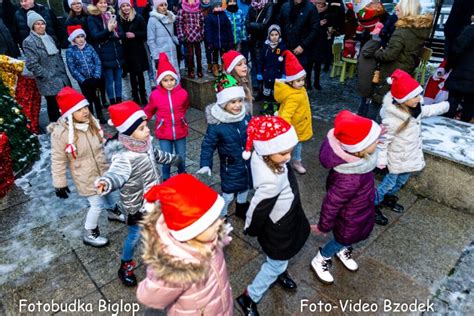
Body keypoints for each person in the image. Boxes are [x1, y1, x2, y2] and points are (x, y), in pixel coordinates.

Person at [95, 100, 181, 286]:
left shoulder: (145, 143)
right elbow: (115, 175)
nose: (148, 130)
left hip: (154, 198)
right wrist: (105, 182)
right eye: (142, 128)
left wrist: (173, 159)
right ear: (128, 132)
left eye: (146, 126)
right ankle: (125, 263)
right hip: (137, 206)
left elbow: (156, 155)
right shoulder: (124, 156)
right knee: (134, 237)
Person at [236, 115, 310, 315]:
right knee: (276, 260)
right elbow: (258, 206)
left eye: (289, 151)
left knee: (280, 256)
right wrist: (250, 228)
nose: (288, 157)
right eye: (283, 152)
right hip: (280, 225)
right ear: (268, 151)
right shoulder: (271, 181)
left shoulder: (268, 157)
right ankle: (249, 297)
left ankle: (280, 269)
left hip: (286, 214)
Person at [136, 174, 233, 314]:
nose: (219, 223)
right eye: (210, 222)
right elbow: (148, 297)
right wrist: (165, 273)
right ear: (191, 231)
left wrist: (220, 240)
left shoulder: (209, 239)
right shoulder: (178, 267)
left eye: (216, 218)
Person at [311, 110, 381, 284]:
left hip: (361, 209)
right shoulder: (349, 178)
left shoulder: (361, 162)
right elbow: (331, 203)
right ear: (359, 149)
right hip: (349, 216)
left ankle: (343, 249)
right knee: (342, 237)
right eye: (374, 141)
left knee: (354, 235)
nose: (378, 142)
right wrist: (323, 226)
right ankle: (321, 258)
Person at [49, 87, 124, 248]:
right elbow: (58, 160)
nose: (84, 111)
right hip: (85, 176)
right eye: (79, 109)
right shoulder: (61, 133)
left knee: (107, 191)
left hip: (102, 168)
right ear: (69, 113)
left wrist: (112, 144)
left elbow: (101, 140)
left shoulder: (91, 123)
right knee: (96, 204)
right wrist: (59, 183)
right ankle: (90, 233)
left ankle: (112, 211)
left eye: (85, 107)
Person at [375, 69, 450, 224]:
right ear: (403, 99)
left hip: (410, 157)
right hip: (396, 158)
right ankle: (372, 205)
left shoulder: (416, 109)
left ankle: (387, 199)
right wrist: (381, 160)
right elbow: (383, 141)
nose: (420, 98)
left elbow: (430, 110)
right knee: (388, 183)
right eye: (415, 96)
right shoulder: (392, 119)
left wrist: (446, 105)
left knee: (401, 181)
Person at [197, 73, 252, 218]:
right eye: (232, 102)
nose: (238, 105)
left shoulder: (245, 116)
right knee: (228, 195)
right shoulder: (217, 125)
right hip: (231, 167)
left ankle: (241, 208)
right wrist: (205, 164)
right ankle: (222, 214)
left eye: (240, 100)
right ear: (223, 103)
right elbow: (208, 146)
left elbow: (254, 133)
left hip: (247, 164)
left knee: (245, 189)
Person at [371, 0, 433, 117]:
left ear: (406, 11)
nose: (395, 11)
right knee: (396, 100)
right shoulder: (419, 29)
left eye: (398, 9)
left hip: (393, 71)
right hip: (406, 68)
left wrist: (378, 53)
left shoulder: (401, 32)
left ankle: (374, 128)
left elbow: (389, 55)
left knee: (381, 100)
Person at [145, 52, 189, 181]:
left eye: (171, 79)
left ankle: (182, 177)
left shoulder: (183, 93)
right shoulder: (155, 95)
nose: (169, 83)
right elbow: (149, 110)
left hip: (180, 130)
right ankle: (166, 179)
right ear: (160, 81)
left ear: (176, 79)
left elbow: (185, 106)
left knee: (181, 156)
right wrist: (141, 121)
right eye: (165, 80)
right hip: (164, 132)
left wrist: (181, 118)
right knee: (166, 158)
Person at [23, 11, 71, 122]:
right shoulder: (29, 42)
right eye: (37, 24)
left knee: (66, 106)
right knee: (54, 108)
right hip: (48, 81)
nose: (41, 26)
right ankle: (56, 131)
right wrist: (46, 75)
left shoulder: (48, 37)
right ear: (32, 26)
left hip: (61, 78)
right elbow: (31, 64)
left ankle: (68, 129)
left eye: (42, 23)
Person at [274, 51, 313, 175]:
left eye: (302, 80)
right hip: (294, 127)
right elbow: (286, 114)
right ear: (290, 82)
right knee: (293, 145)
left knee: (298, 145)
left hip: (299, 124)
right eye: (298, 81)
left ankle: (292, 160)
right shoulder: (293, 96)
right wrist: (285, 129)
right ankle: (291, 161)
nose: (301, 83)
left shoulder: (299, 89)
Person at [65, 25, 105, 124]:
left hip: (94, 78)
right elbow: (72, 67)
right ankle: (90, 116)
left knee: (97, 98)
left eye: (82, 36)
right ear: (73, 39)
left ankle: (100, 115)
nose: (81, 39)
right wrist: (83, 79)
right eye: (78, 37)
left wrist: (96, 75)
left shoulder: (89, 47)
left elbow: (97, 61)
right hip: (84, 81)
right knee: (88, 99)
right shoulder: (70, 51)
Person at [88, 0, 125, 106]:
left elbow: (121, 32)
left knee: (118, 79)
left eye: (105, 2)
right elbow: (96, 36)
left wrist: (116, 34)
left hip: (117, 51)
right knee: (109, 80)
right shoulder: (92, 18)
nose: (103, 5)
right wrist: (108, 30)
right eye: (100, 3)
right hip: (104, 53)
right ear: (96, 4)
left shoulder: (112, 15)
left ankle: (119, 100)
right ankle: (113, 102)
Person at [278, 0, 319, 88]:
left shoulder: (310, 7)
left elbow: (315, 29)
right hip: (287, 48)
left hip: (303, 50)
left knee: (300, 78)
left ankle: (301, 98)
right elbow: (280, 24)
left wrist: (303, 46)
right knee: (287, 76)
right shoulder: (285, 6)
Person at [118, 0, 149, 105]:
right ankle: (135, 96)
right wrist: (123, 35)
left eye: (127, 5)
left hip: (138, 49)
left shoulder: (138, 17)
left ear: (130, 6)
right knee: (131, 74)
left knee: (140, 74)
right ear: (120, 8)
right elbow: (119, 33)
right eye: (123, 6)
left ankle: (143, 95)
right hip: (127, 50)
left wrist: (134, 34)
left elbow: (145, 33)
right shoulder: (119, 19)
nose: (126, 8)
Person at [444, 15, 474, 122]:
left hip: (463, 71)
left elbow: (457, 48)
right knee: (469, 105)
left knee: (452, 102)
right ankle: (464, 127)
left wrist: (448, 66)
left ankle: (445, 127)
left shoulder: (471, 30)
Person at [246, 0, 273, 99]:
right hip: (253, 41)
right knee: (254, 64)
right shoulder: (251, 6)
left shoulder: (268, 5)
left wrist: (252, 24)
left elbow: (265, 24)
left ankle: (265, 89)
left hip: (264, 41)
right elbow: (247, 22)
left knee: (264, 64)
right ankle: (256, 89)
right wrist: (254, 25)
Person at [356, 22, 383, 117]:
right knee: (368, 96)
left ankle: (360, 113)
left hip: (364, 74)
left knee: (364, 96)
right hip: (369, 74)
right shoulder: (376, 45)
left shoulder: (369, 42)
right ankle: (363, 115)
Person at [257, 24, 286, 108]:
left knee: (275, 90)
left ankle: (275, 104)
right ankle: (267, 103)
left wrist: (284, 73)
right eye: (272, 35)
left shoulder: (282, 47)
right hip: (267, 73)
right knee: (266, 89)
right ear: (269, 35)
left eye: (276, 35)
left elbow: (285, 62)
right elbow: (261, 61)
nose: (274, 37)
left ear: (279, 35)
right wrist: (259, 72)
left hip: (277, 74)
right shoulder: (265, 47)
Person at [147, 0, 180, 73]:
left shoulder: (170, 17)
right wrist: (156, 57)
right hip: (161, 53)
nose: (164, 7)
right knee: (164, 77)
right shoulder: (152, 20)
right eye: (161, 5)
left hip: (172, 51)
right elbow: (151, 40)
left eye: (165, 5)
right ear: (156, 7)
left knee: (174, 75)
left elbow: (171, 35)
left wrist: (179, 40)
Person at [204, 0, 234, 76]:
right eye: (216, 7)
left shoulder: (224, 16)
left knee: (223, 55)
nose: (218, 8)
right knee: (214, 55)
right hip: (214, 41)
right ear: (213, 8)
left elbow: (228, 28)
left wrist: (230, 39)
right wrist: (209, 41)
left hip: (224, 40)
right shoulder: (210, 17)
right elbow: (208, 30)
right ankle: (215, 68)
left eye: (220, 6)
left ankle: (223, 68)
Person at [176, 0, 205, 78]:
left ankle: (199, 69)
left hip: (197, 35)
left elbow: (202, 23)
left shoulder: (198, 10)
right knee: (190, 54)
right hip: (187, 36)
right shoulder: (182, 10)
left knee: (199, 54)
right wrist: (181, 35)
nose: (191, 2)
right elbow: (179, 24)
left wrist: (202, 33)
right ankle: (190, 70)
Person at [222, 49, 254, 114]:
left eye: (245, 63)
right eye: (239, 64)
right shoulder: (230, 87)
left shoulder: (243, 79)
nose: (245, 66)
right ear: (231, 68)